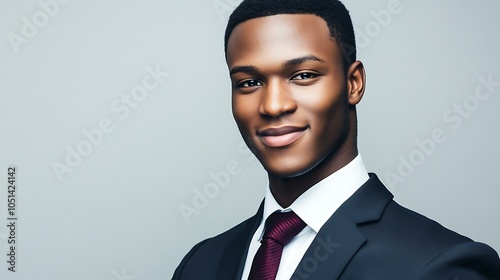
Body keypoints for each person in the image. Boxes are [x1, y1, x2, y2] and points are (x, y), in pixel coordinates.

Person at [172, 0, 500, 279]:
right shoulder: (201, 264)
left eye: (303, 76)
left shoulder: (439, 265)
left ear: (353, 83)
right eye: (249, 82)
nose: (273, 105)